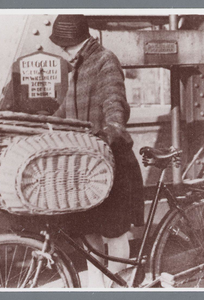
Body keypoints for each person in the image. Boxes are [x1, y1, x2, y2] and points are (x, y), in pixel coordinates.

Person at [49, 14, 144, 288]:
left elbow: (115, 102)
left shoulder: (105, 60)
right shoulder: (76, 66)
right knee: (87, 230)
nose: (63, 51)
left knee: (114, 233)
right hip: (86, 165)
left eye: (65, 45)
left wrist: (111, 128)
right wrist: (42, 124)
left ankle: (117, 286)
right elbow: (64, 110)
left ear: (78, 42)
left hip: (111, 161)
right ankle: (97, 287)